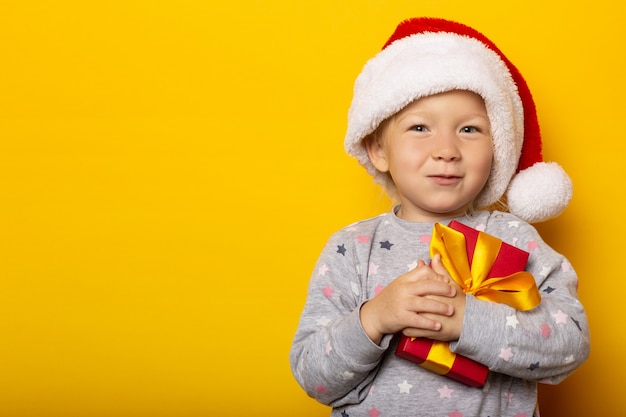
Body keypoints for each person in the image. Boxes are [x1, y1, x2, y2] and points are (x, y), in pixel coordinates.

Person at [289, 17, 590, 417]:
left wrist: (468, 321)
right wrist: (375, 317)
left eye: (469, 129)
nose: (446, 149)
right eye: (419, 127)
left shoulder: (517, 238)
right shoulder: (352, 249)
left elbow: (570, 343)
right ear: (378, 149)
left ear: (497, 145)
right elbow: (315, 378)